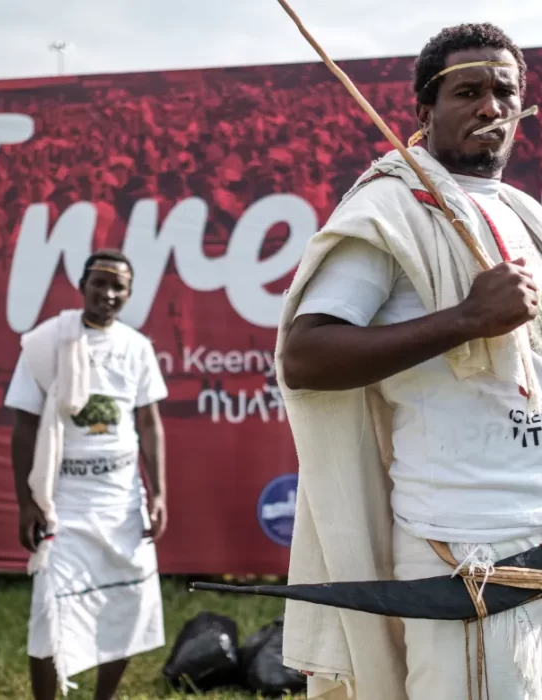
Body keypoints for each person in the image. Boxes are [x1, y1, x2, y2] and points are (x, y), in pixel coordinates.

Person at [278, 23, 542, 700]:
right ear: (424, 111)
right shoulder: (390, 208)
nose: (490, 107)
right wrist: (465, 321)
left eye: (505, 91)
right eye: (469, 91)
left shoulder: (525, 214)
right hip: (465, 552)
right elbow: (306, 354)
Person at [5, 249, 168, 699]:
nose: (109, 294)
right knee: (48, 611)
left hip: (121, 500)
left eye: (119, 287)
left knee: (125, 605)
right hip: (64, 501)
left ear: (130, 295)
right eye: (100, 283)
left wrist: (158, 494)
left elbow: (150, 423)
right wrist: (27, 502)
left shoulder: (136, 347)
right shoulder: (44, 342)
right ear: (82, 285)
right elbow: (24, 426)